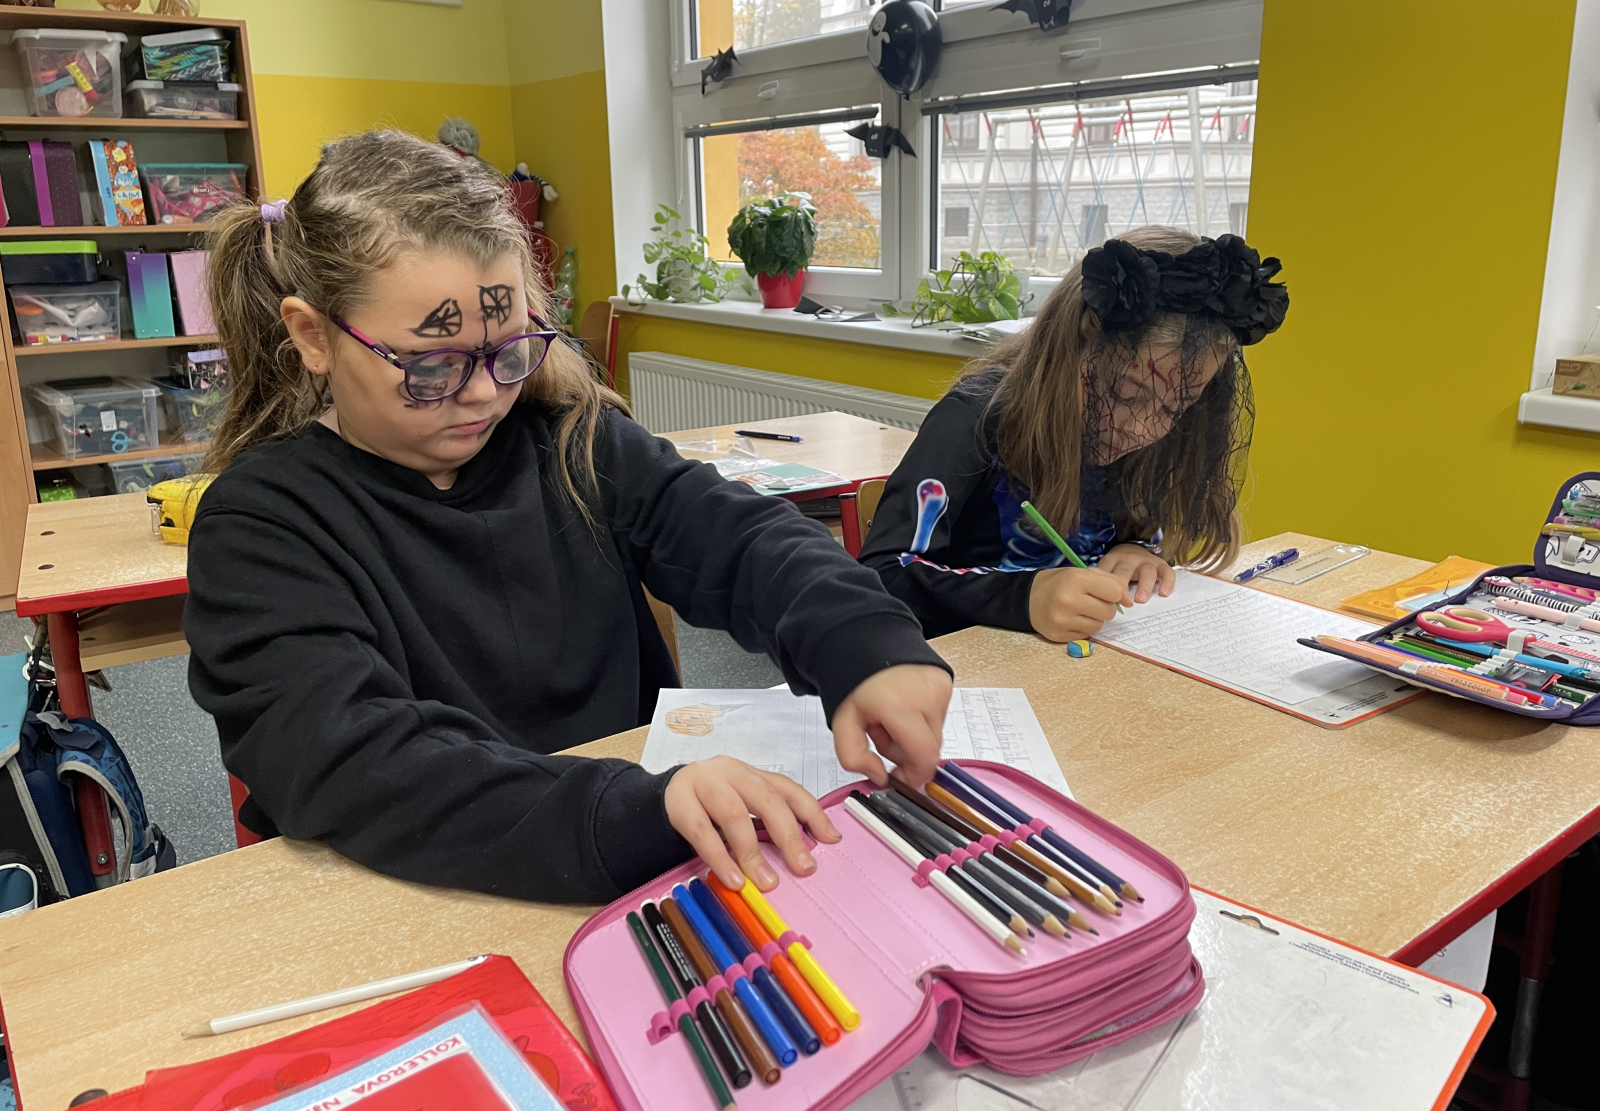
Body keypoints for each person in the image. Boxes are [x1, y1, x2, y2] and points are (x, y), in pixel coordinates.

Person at [183, 130, 953, 905]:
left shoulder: (577, 443)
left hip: (626, 864)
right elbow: (350, 760)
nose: (483, 393)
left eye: (508, 351)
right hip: (411, 897)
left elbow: (741, 538)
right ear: (313, 336)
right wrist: (634, 811)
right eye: (434, 366)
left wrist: (863, 640)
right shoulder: (260, 525)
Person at [860, 225, 1289, 641]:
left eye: (1176, 407)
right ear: (1069, 351)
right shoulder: (974, 418)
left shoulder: (1144, 443)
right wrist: (1023, 599)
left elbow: (1143, 534)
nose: (1144, 428)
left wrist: (1138, 553)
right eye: (1124, 392)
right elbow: (882, 575)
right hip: (962, 668)